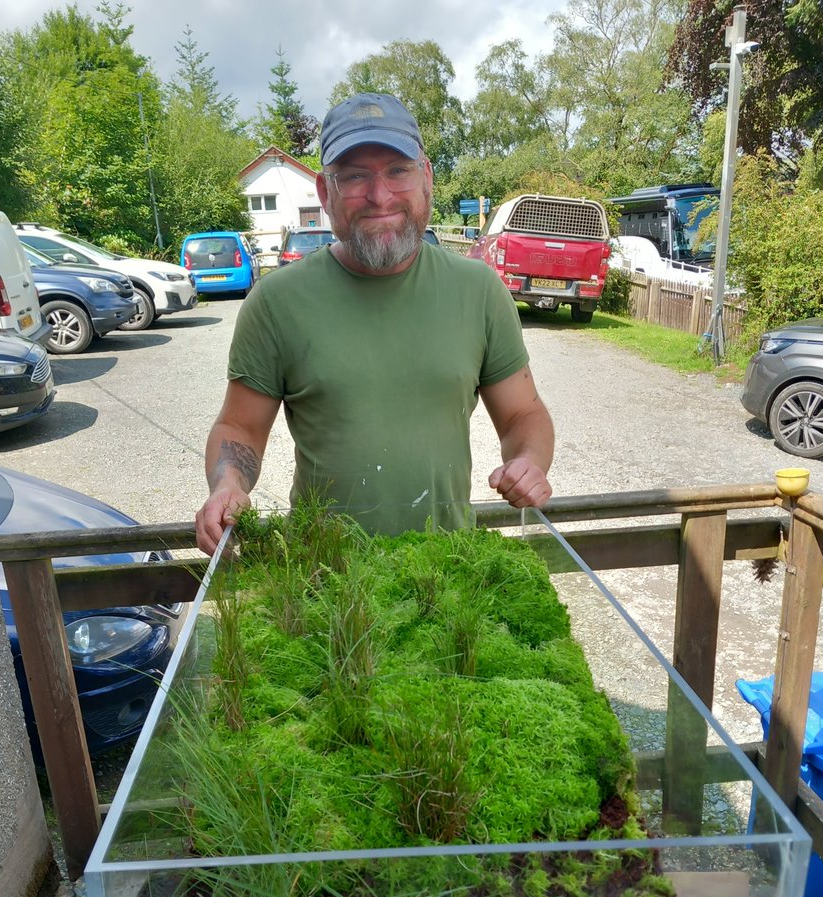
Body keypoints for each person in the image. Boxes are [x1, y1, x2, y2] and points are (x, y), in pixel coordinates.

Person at [195, 92, 554, 555]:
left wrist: (529, 461)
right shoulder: (277, 303)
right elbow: (239, 428)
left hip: (445, 574)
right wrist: (227, 485)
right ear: (326, 193)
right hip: (324, 578)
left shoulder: (479, 291)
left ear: (426, 177)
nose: (380, 195)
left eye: (397, 171)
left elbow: (524, 414)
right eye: (355, 177)